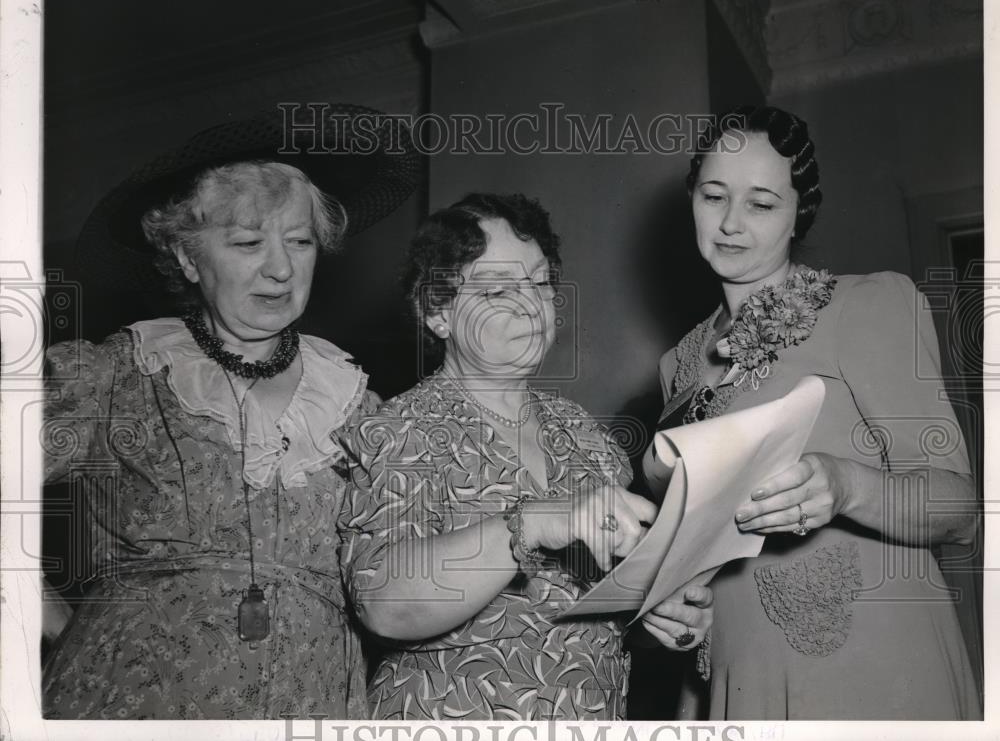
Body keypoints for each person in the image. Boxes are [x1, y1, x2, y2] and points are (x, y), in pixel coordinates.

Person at [41, 107, 418, 719]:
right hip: (132, 699)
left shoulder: (358, 404)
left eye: (299, 241)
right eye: (247, 243)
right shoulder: (114, 375)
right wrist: (51, 618)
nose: (281, 267)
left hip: (313, 698)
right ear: (189, 258)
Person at [642, 106, 981, 720]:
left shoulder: (870, 304)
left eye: (762, 203)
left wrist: (847, 484)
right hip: (739, 676)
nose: (730, 223)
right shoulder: (678, 365)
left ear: (801, 211)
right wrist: (679, 611)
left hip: (873, 670)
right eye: (714, 195)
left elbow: (958, 508)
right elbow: (700, 555)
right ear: (691, 196)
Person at [338, 193, 714, 721]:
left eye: (539, 283)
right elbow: (382, 602)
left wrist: (659, 615)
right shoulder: (400, 430)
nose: (531, 305)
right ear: (437, 312)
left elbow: (603, 623)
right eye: (496, 290)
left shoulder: (587, 439)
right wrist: (530, 523)